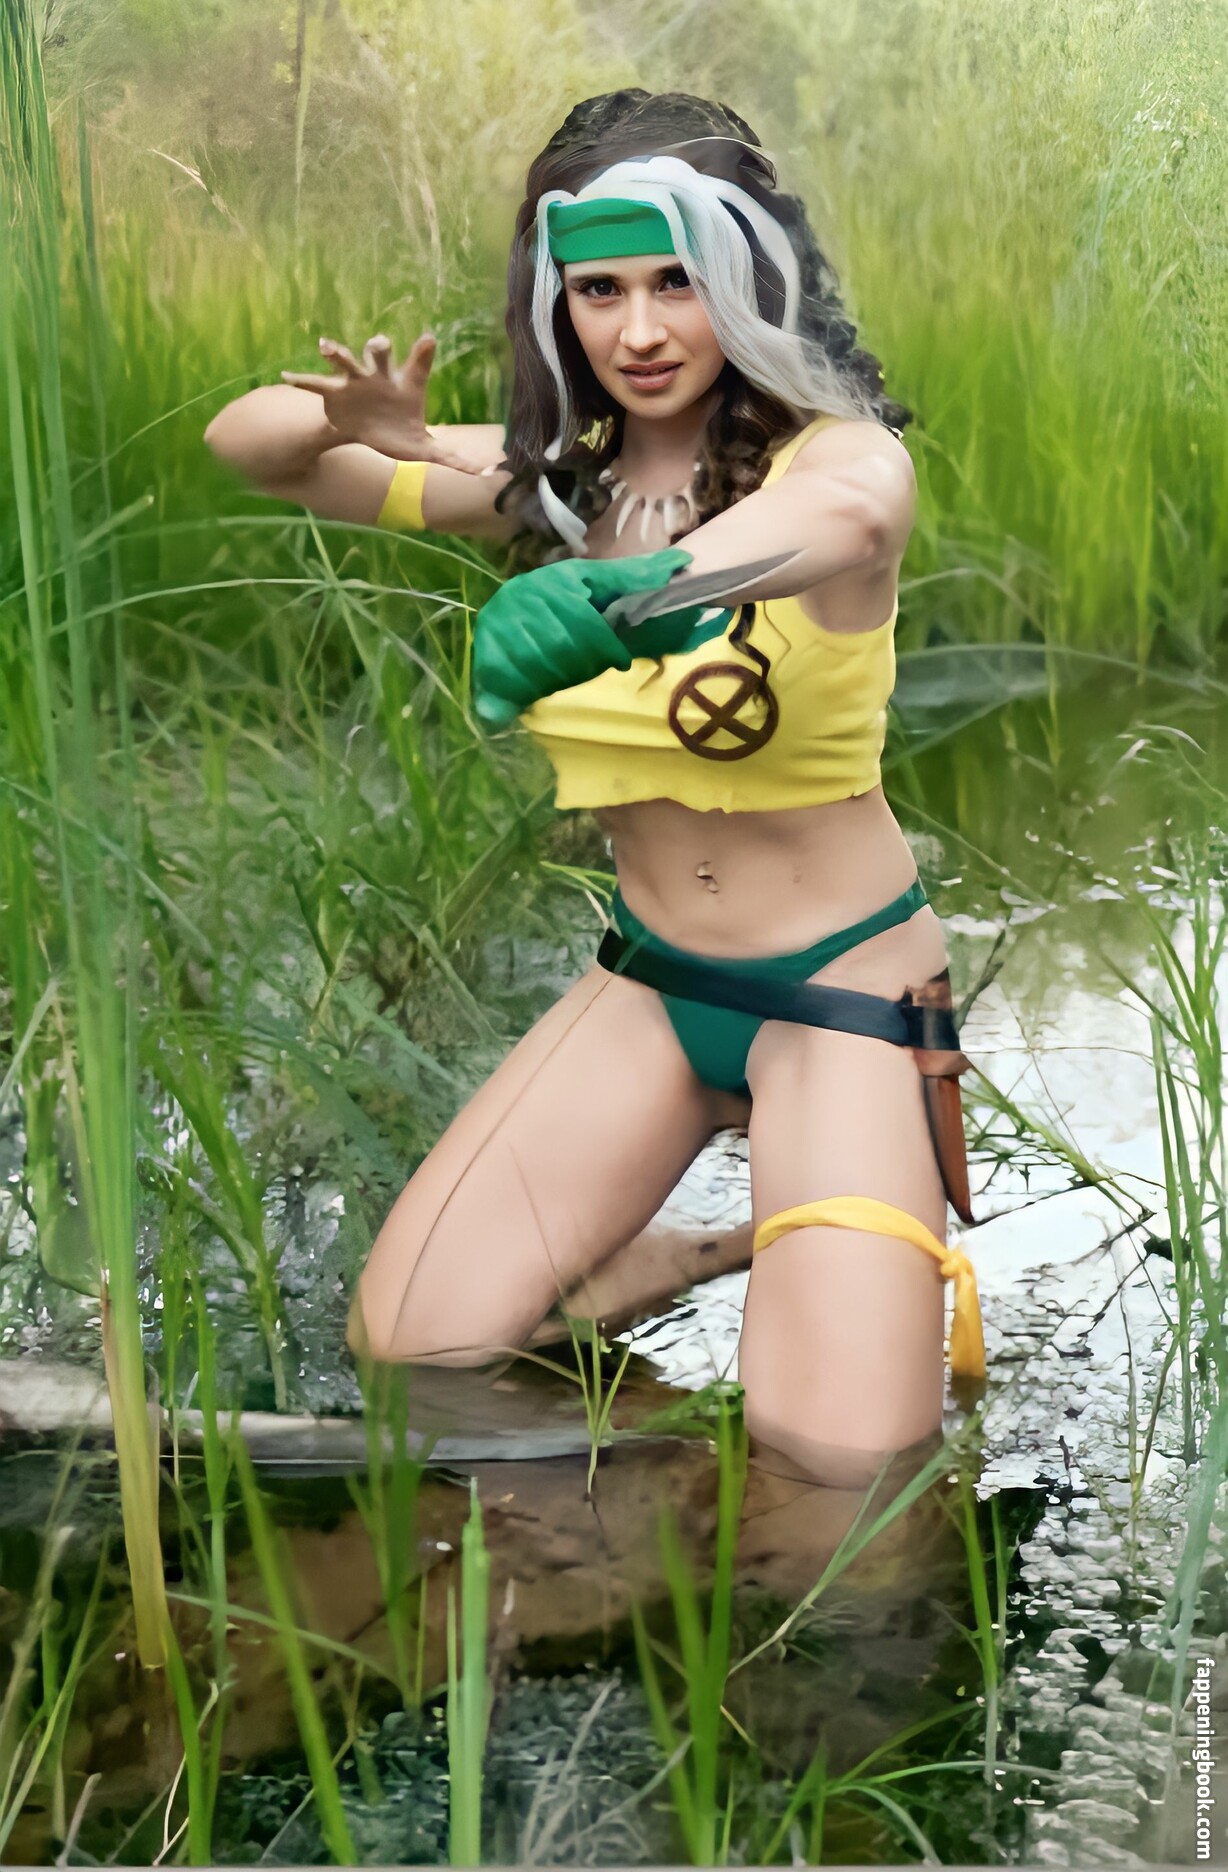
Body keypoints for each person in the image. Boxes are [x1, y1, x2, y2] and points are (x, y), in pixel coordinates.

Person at [205, 89, 983, 1488]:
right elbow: (245, 449)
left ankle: (831, 1229)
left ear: (747, 274)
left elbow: (841, 520)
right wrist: (355, 425)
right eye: (599, 289)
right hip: (650, 983)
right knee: (411, 1350)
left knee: (839, 1477)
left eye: (677, 281)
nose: (640, 331)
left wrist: (634, 593)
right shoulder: (558, 485)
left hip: (842, 997)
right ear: (555, 302)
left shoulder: (837, 457)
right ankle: (720, 1253)